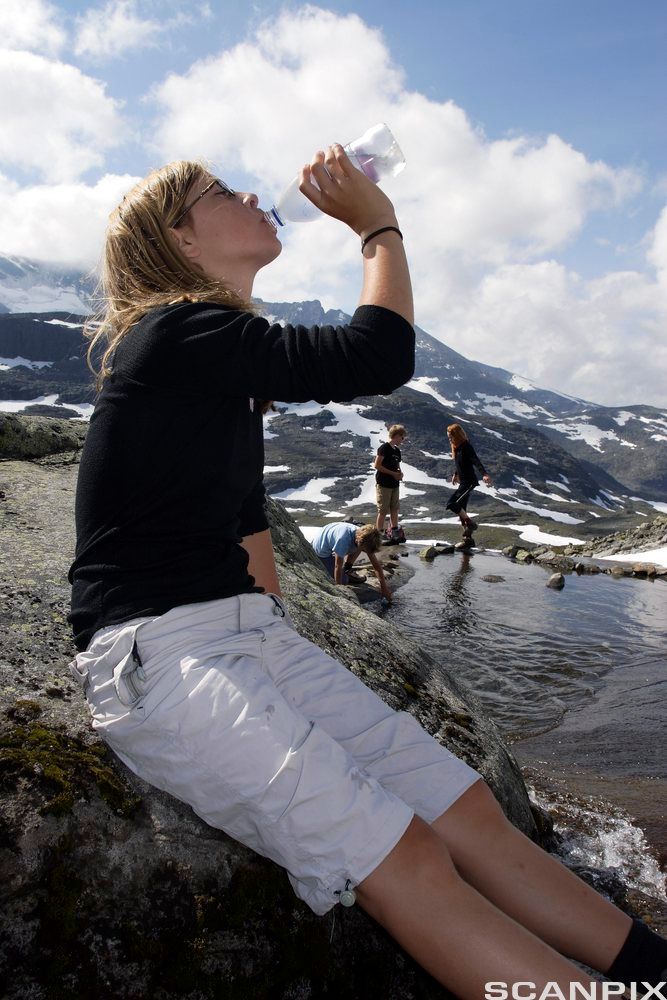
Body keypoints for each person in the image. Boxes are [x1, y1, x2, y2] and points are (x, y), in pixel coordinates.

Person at [66, 145, 666, 997]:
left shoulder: (216, 365)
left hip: (245, 636)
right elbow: (374, 356)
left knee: (467, 813)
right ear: (182, 241)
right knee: (408, 856)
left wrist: (285, 653)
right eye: (221, 193)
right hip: (161, 657)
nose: (251, 193)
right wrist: (374, 223)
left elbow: (245, 527)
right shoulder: (173, 335)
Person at [311, 522, 392, 604]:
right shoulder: (343, 540)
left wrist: (384, 588)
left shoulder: (364, 535)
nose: (365, 552)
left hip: (331, 540)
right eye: (364, 550)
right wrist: (340, 590)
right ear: (360, 541)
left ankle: (347, 569)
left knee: (357, 548)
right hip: (320, 551)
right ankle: (346, 575)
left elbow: (376, 566)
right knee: (343, 580)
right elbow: (337, 566)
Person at [446, 422, 492, 535]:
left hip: (469, 482)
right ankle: (467, 538)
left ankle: (469, 522)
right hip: (463, 482)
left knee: (452, 503)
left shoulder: (466, 446)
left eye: (451, 437)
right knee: (462, 508)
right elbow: (460, 463)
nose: (449, 439)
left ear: (457, 435)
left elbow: (475, 461)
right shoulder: (457, 448)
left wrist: (484, 474)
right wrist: (456, 474)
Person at [374, 423, 406, 540]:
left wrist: (400, 473)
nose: (402, 440)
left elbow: (397, 465)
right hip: (384, 483)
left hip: (394, 484)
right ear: (396, 435)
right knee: (383, 509)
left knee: (394, 508)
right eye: (402, 437)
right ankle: (379, 533)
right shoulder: (384, 448)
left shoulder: (397, 451)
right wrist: (393, 474)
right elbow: (377, 465)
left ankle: (394, 530)